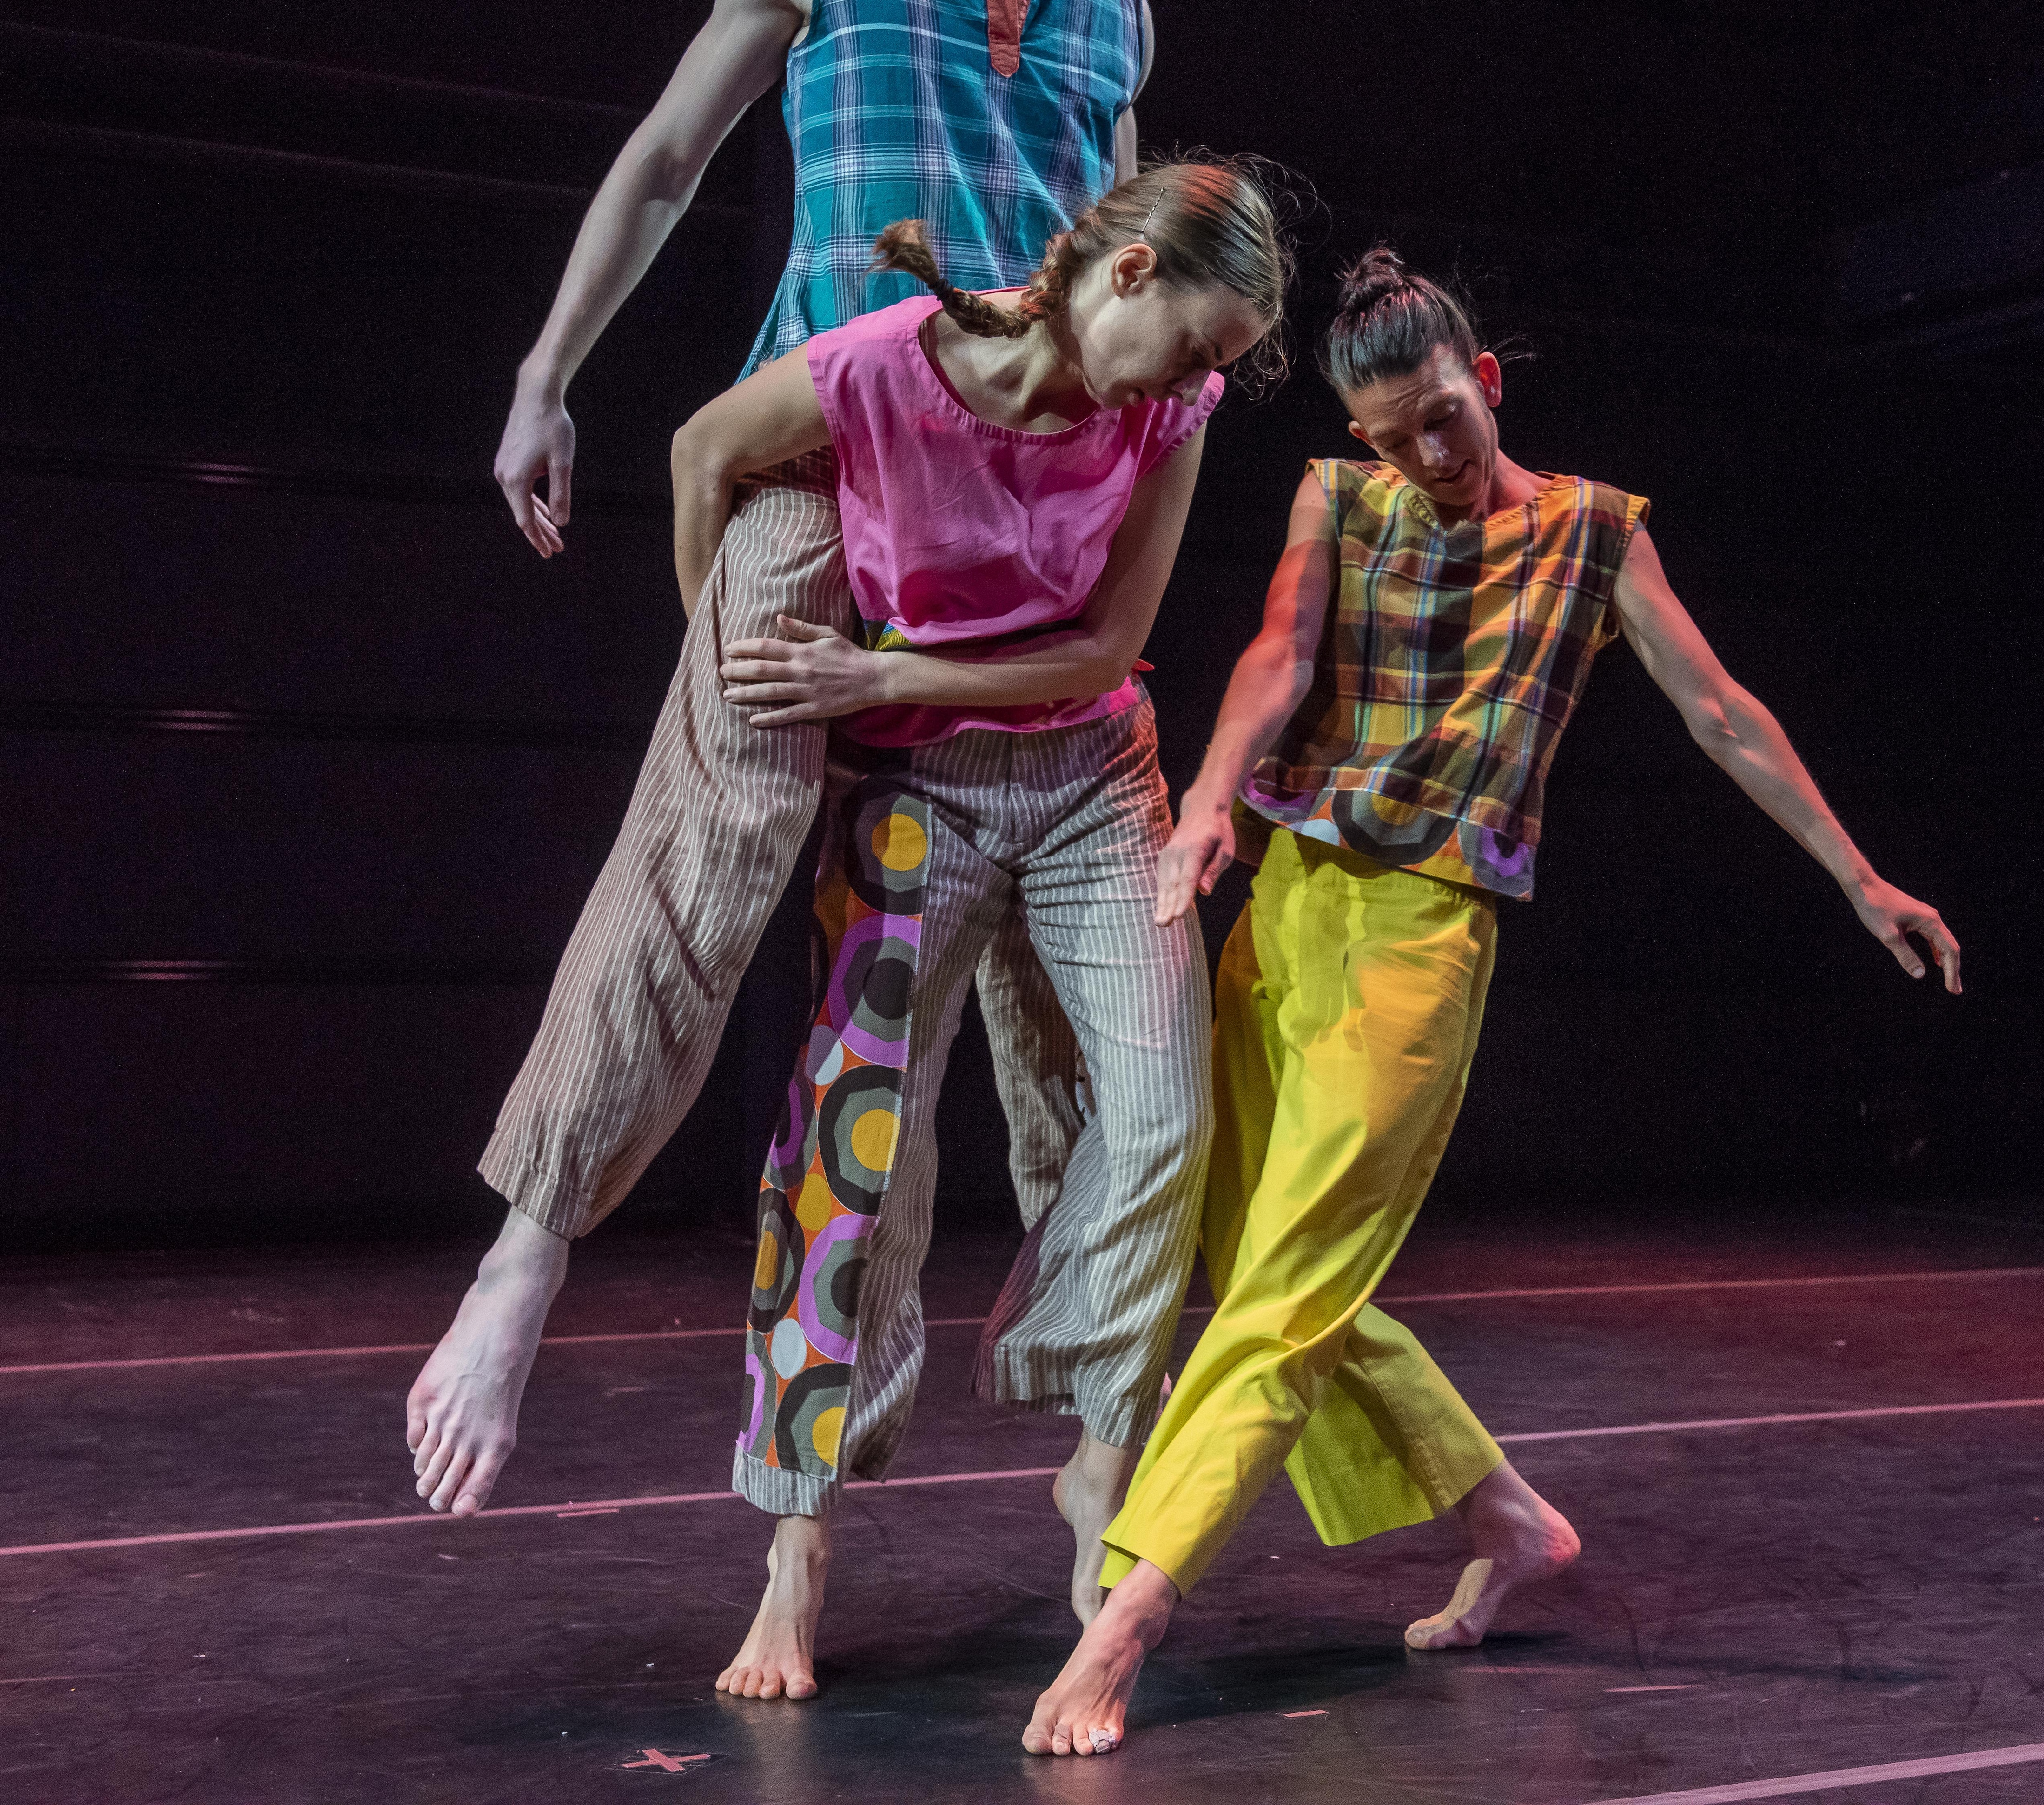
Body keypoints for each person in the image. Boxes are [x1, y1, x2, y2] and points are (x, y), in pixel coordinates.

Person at [1022, 250, 1965, 1757]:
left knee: (1289, 1283)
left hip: (1422, 932)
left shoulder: (1597, 532)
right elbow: (1275, 648)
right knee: (1250, 1247)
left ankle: (1134, 1602)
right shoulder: (1342, 497)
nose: (1428, 456)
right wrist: (1208, 799)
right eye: (1397, 433)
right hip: (1287, 903)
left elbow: (1719, 707)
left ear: (1492, 383)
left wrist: (1857, 876)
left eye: (1446, 419)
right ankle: (1502, 1510)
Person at [407, 0, 1156, 1573]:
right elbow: (672, 155)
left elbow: (1133, 255)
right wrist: (549, 371)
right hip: (832, 424)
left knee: (1052, 951)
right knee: (719, 826)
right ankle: (526, 1249)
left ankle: (1094, 1385)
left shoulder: (1119, 17)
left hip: (1021, 471)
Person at [693, 160, 1288, 1700]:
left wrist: (873, 681)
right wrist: (748, 694)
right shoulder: (883, 369)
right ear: (1132, 273)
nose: (1207, 380)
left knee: (1163, 1109)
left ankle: (1097, 1448)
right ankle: (798, 1542)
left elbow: (1108, 641)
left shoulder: (1169, 412)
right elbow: (702, 453)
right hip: (917, 796)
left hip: (1095, 772)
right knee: (856, 1145)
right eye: (1205, 343)